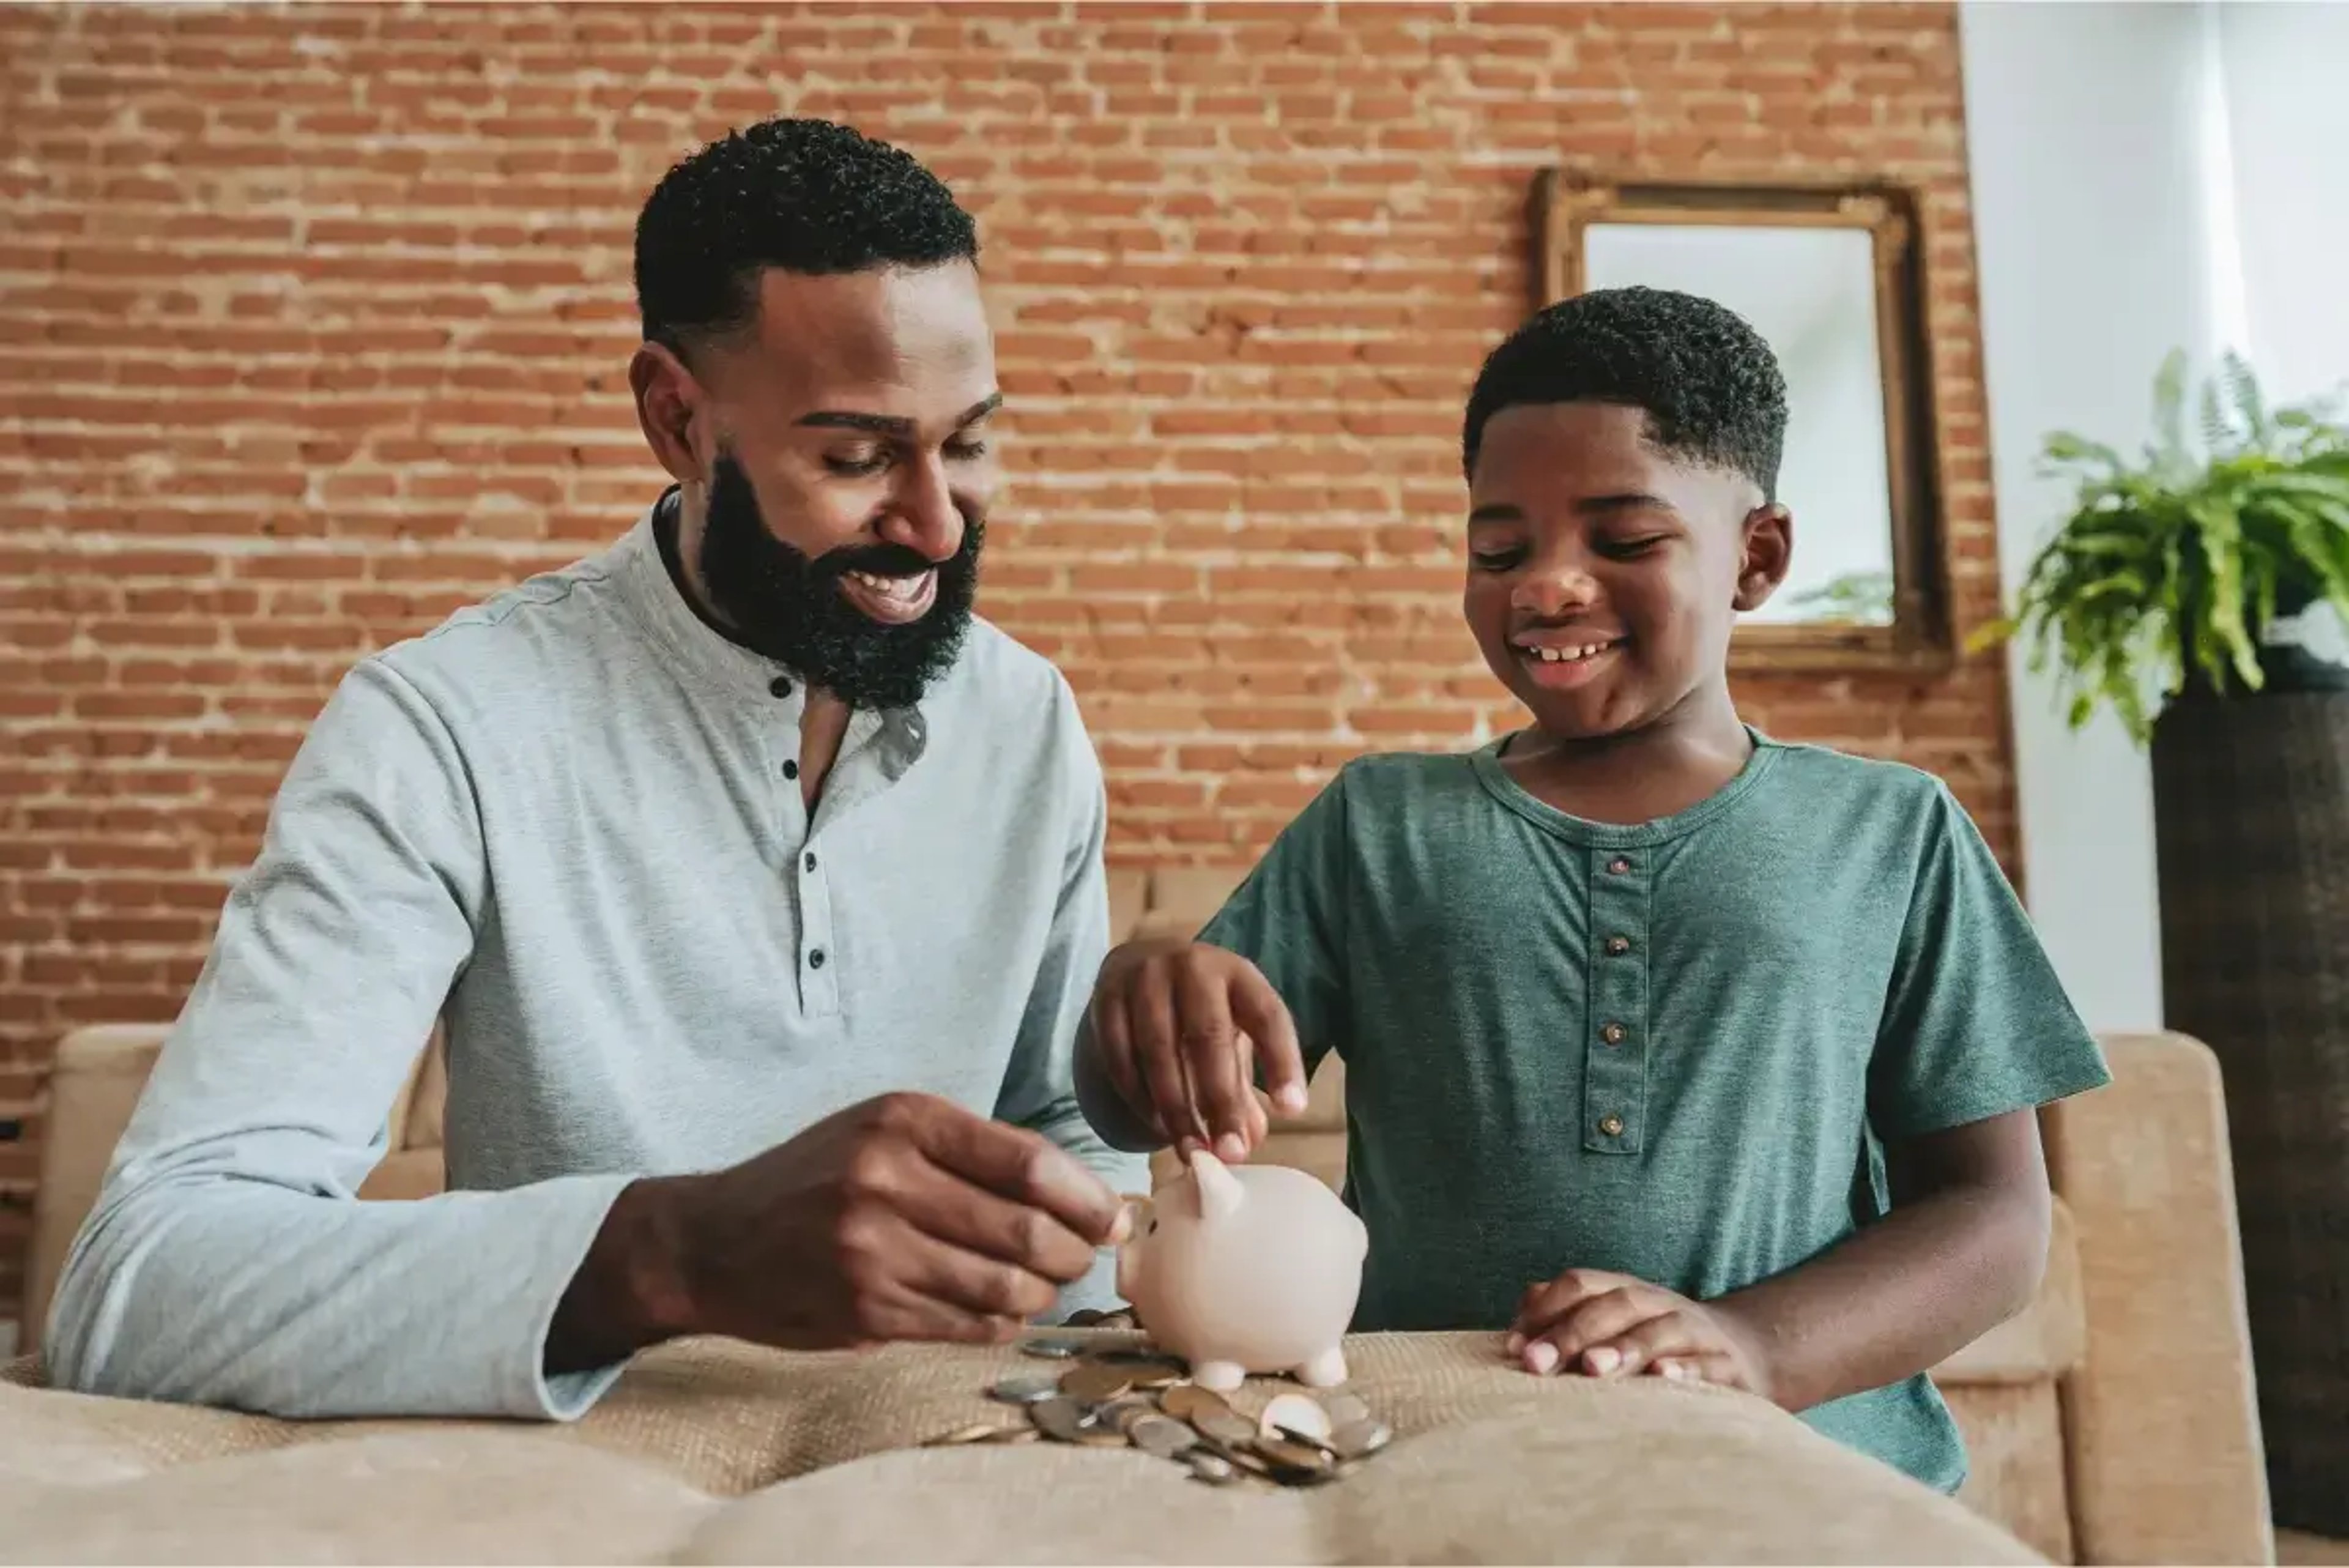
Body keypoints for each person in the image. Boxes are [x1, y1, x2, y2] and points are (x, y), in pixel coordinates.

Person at [45, 117, 1147, 1421]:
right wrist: (672, 1254)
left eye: (965, 442)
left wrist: (1168, 1219)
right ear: (678, 419)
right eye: (855, 457)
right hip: (572, 1496)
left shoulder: (1027, 722)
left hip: (943, 1475)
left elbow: (1060, 1142)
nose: (937, 522)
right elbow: (140, 1282)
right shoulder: (446, 725)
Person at [1075, 286, 2112, 1493]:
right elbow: (1152, 1111)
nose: (1549, 586)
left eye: (1622, 540)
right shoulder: (1379, 823)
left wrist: (1752, 1344)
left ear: (1757, 557)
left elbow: (1994, 1217)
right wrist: (1138, 980)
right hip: (1425, 1462)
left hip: (1795, 1476)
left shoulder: (1893, 832)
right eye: (1500, 549)